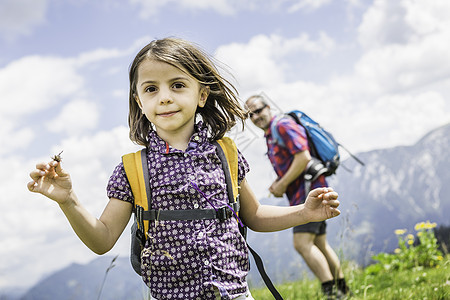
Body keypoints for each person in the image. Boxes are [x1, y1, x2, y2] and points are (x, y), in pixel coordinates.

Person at [27, 37, 340, 300]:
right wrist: (68, 201)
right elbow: (103, 239)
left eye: (177, 85)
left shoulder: (225, 154)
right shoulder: (133, 169)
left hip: (234, 293)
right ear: (138, 100)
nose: (164, 97)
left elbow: (254, 216)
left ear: (202, 94)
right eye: (150, 89)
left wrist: (304, 213)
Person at [245, 94, 350, 299]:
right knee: (319, 243)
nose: (256, 116)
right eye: (250, 115)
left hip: (310, 193)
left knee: (301, 244)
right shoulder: (272, 133)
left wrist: (282, 184)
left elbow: (303, 157)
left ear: (268, 107)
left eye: (258, 110)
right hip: (309, 191)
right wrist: (279, 184)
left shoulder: (282, 125)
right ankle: (344, 290)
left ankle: (332, 293)